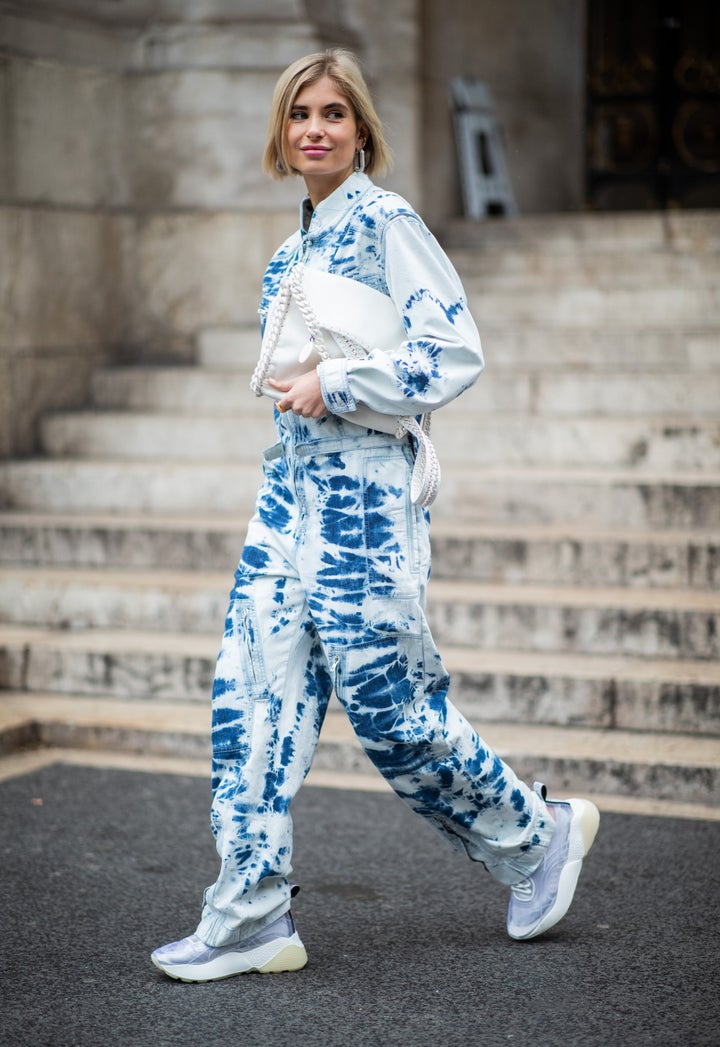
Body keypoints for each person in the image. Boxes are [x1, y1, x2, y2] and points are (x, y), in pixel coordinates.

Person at [151, 49, 600, 983]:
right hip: (289, 496)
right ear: (282, 132)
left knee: (393, 712)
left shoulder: (388, 222)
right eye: (299, 114)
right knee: (251, 696)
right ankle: (250, 914)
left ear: (361, 131)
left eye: (334, 114)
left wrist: (341, 379)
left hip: (365, 501)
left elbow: (454, 350)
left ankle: (534, 832)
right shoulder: (292, 250)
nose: (314, 128)